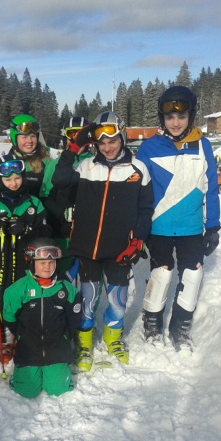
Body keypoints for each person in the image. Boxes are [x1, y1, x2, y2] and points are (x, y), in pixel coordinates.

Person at [52, 111, 153, 370]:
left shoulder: (138, 169)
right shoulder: (86, 166)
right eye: (102, 143)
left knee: (118, 300)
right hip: (87, 247)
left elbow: (145, 209)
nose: (107, 148)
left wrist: (138, 240)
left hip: (121, 249)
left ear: (122, 138)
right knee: (88, 298)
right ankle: (84, 342)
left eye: (113, 141)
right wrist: (73, 148)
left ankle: (113, 337)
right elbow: (59, 180)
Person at [136, 86, 221, 354]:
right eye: (170, 117)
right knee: (161, 274)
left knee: (193, 274)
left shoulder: (202, 145)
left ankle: (180, 327)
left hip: (191, 227)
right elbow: (137, 190)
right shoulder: (149, 147)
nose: (175, 122)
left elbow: (211, 187)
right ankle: (152, 323)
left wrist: (213, 226)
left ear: (190, 116)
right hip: (158, 226)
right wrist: (138, 229)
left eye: (181, 117)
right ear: (162, 119)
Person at [0, 156, 51, 365]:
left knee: (26, 302)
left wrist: (27, 229)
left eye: (17, 178)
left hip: (25, 266)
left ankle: (24, 338)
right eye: (8, 180)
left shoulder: (33, 203)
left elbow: (46, 233)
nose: (13, 183)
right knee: (1, 303)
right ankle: (5, 340)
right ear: (0, 180)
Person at [3, 238, 82, 398]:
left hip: (56, 349)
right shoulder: (17, 290)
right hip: (29, 349)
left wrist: (64, 337)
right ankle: (21, 377)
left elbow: (73, 319)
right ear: (32, 263)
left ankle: (57, 372)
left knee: (58, 389)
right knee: (27, 391)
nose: (47, 267)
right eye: (42, 263)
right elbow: (10, 318)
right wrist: (22, 335)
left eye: (51, 262)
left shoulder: (66, 290)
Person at [40, 116, 93, 279]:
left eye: (80, 134)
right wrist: (61, 212)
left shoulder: (94, 162)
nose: (77, 139)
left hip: (86, 231)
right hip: (61, 232)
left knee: (89, 277)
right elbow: (44, 197)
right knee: (63, 275)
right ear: (65, 137)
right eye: (72, 134)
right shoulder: (56, 164)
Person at [5, 114, 53, 197]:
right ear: (15, 139)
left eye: (33, 136)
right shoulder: (6, 162)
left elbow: (50, 194)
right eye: (24, 137)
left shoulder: (47, 163)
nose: (30, 141)